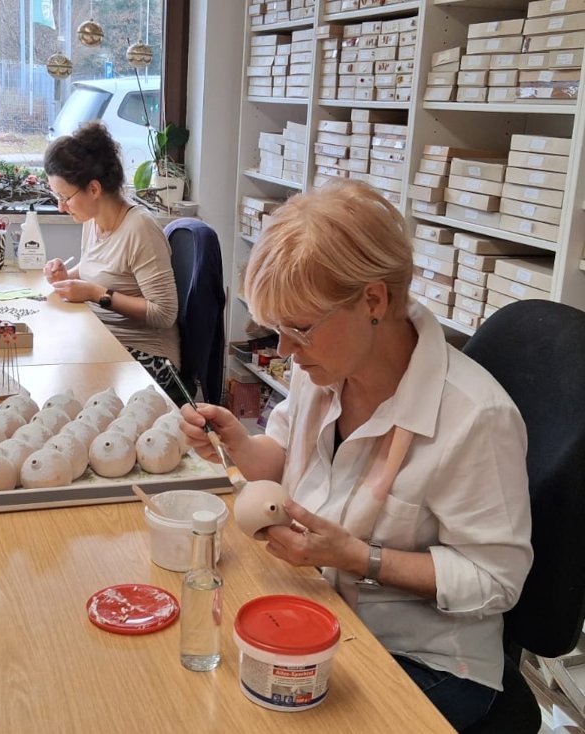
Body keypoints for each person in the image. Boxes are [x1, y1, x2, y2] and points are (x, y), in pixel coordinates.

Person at [180, 180, 532, 732]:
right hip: (322, 607)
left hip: (426, 658)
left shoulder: (475, 417)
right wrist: (239, 444)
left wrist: (358, 556)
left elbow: (495, 580)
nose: (285, 350)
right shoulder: (322, 367)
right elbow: (286, 460)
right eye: (277, 329)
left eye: (300, 328)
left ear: (373, 300)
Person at [42, 121, 182, 401]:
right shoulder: (92, 221)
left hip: (148, 358)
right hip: (104, 340)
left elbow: (164, 313)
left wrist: (96, 294)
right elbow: (99, 269)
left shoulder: (140, 228)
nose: (61, 207)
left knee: (66, 393)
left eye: (65, 197)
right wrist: (66, 275)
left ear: (94, 189)